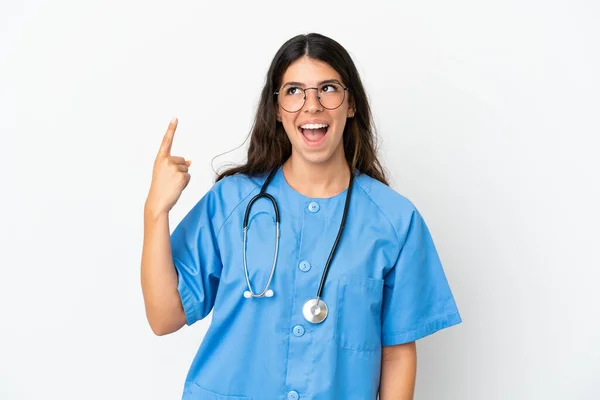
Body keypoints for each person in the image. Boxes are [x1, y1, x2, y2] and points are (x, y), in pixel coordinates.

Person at [141, 32, 461, 400]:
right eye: (294, 91)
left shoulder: (395, 221)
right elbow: (165, 318)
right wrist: (155, 211)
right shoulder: (231, 202)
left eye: (327, 88)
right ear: (277, 109)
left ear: (351, 104)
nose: (312, 106)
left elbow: (398, 352)